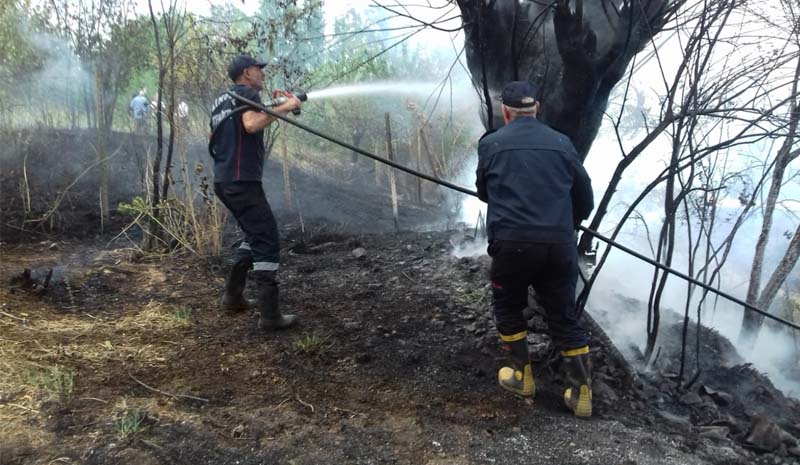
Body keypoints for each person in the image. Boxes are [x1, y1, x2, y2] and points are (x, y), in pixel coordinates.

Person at [476, 81, 595, 417]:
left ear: (505, 111)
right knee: (563, 314)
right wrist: (562, 225)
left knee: (509, 305)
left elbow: (484, 191)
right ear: (537, 108)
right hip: (559, 245)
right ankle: (580, 392)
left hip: (513, 244)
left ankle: (521, 377)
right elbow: (584, 198)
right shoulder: (562, 143)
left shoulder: (492, 143)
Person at [208, 54, 303, 330]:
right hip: (241, 180)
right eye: (258, 69)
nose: (262, 73)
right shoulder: (247, 93)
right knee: (267, 239)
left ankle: (232, 296)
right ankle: (270, 315)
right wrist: (286, 107)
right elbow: (250, 124)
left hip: (224, 180)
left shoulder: (222, 100)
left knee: (255, 233)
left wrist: (280, 104)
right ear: (246, 73)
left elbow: (234, 126)